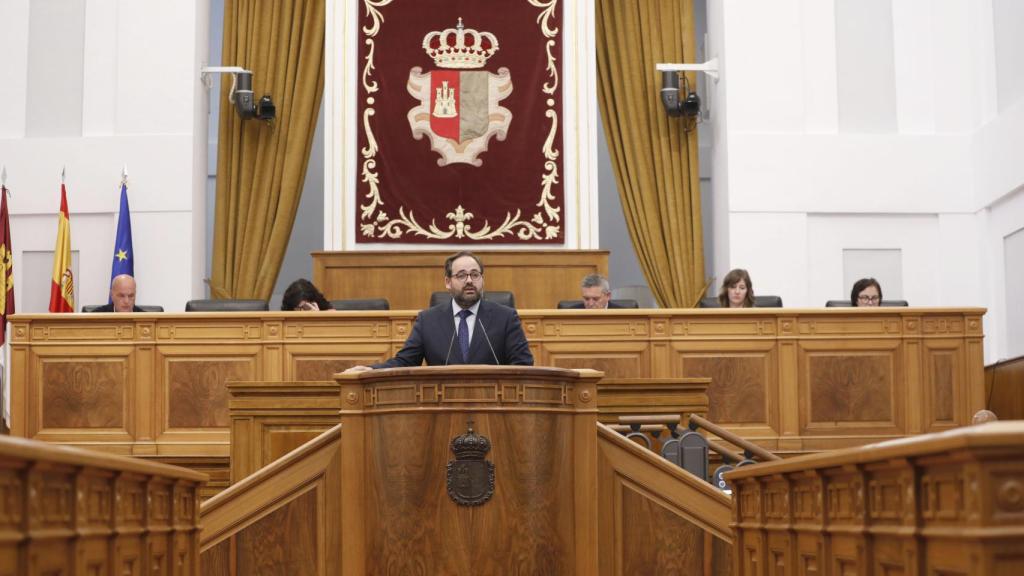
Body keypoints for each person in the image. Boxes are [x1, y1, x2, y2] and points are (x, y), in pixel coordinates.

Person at [347, 251, 533, 371]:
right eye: (461, 275)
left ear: (482, 280)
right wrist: (371, 370)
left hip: (494, 408)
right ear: (447, 282)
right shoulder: (428, 320)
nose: (469, 280)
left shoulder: (506, 317)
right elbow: (405, 362)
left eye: (475, 275)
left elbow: (524, 365)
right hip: (442, 409)